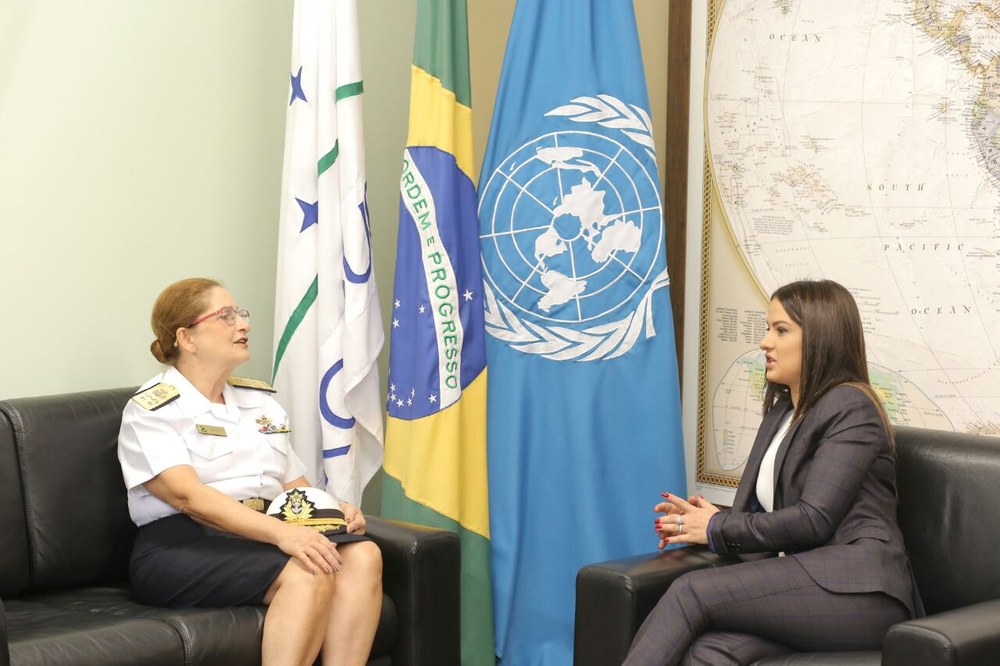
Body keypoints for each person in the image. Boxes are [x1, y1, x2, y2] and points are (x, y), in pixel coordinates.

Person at [624, 279, 920, 665]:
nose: (765, 342)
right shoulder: (782, 413)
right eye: (768, 328)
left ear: (820, 339)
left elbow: (813, 519)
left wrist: (717, 527)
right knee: (710, 653)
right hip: (803, 585)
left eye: (781, 330)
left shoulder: (851, 407)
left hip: (860, 592)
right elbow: (763, 517)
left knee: (690, 592)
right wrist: (705, 520)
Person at [118, 277, 382, 666]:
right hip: (181, 545)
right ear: (186, 338)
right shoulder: (152, 409)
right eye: (226, 316)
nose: (244, 324)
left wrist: (334, 512)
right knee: (309, 570)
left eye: (240, 313)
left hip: (260, 535)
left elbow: (295, 489)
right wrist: (283, 534)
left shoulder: (260, 403)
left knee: (363, 555)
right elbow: (188, 497)